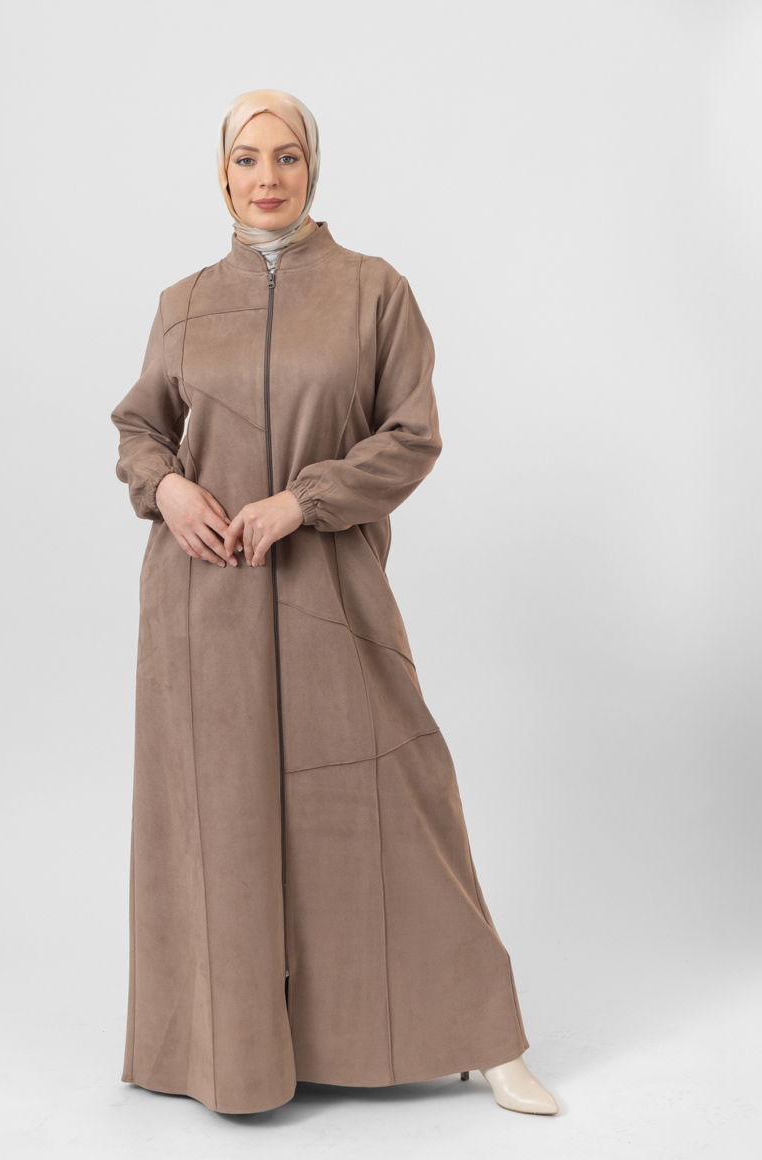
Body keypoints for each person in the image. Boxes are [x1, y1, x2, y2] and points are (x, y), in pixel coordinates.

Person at [110, 88, 558, 1118]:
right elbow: (140, 428)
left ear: (312, 167)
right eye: (246, 158)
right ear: (221, 173)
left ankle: (484, 1035)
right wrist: (168, 488)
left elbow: (410, 436)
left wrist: (300, 501)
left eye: (287, 156)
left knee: (394, 800)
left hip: (328, 591)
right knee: (220, 821)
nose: (266, 177)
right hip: (204, 601)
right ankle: (228, 1055)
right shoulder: (183, 303)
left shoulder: (373, 291)